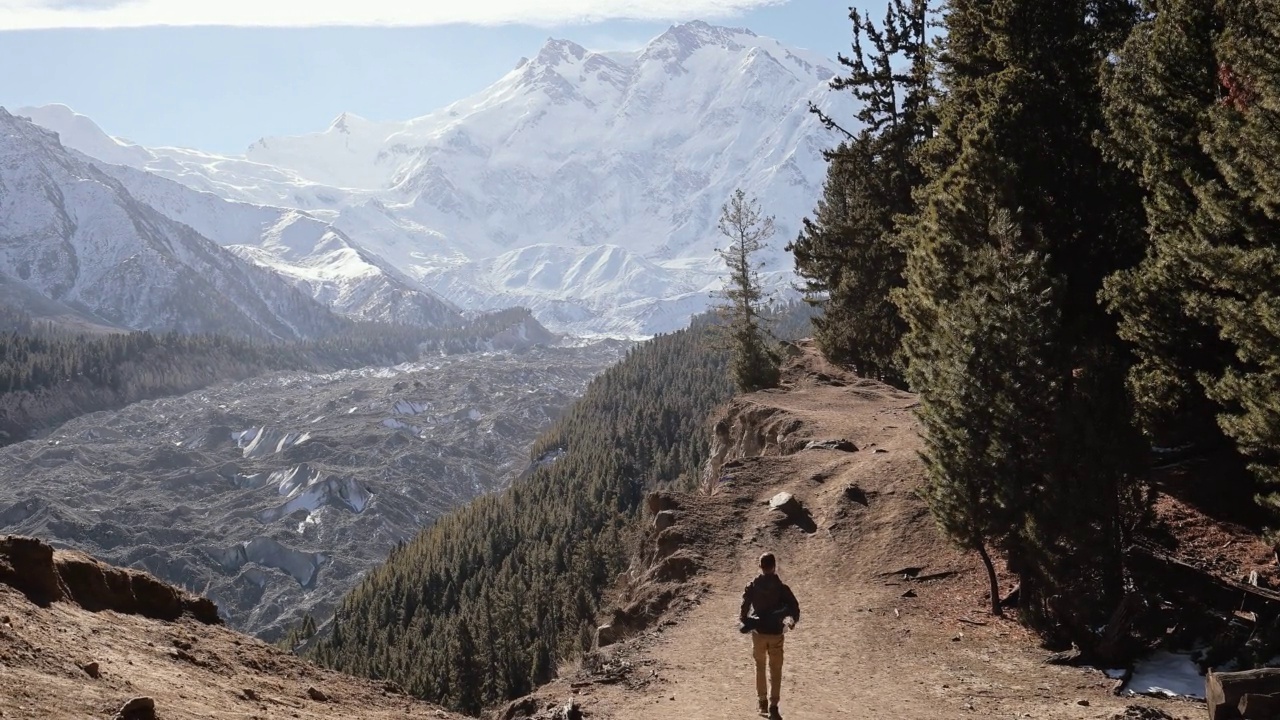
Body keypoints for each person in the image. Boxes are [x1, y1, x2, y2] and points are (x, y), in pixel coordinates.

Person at [740, 552, 800, 719]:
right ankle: (774, 706)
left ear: (760, 567)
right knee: (776, 669)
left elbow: (744, 607)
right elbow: (794, 608)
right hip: (776, 634)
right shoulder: (782, 588)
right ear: (775, 566)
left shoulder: (752, 586)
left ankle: (762, 701)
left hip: (758, 633)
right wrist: (792, 621)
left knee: (760, 666)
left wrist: (747, 622)